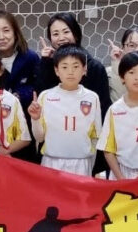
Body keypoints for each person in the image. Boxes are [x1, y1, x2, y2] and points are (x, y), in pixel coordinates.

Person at [28, 46, 102, 176]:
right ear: (56, 70)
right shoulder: (45, 96)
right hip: (51, 162)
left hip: (82, 163)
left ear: (84, 69)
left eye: (76, 66)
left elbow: (96, 137)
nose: (70, 72)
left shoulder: (92, 97)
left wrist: (90, 165)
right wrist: (35, 119)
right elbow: (39, 137)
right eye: (64, 67)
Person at [36, 12, 111, 117]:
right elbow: (41, 98)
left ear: (76, 34)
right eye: (56, 34)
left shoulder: (95, 68)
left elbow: (103, 107)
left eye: (66, 32)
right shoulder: (48, 65)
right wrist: (45, 62)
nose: (61, 38)